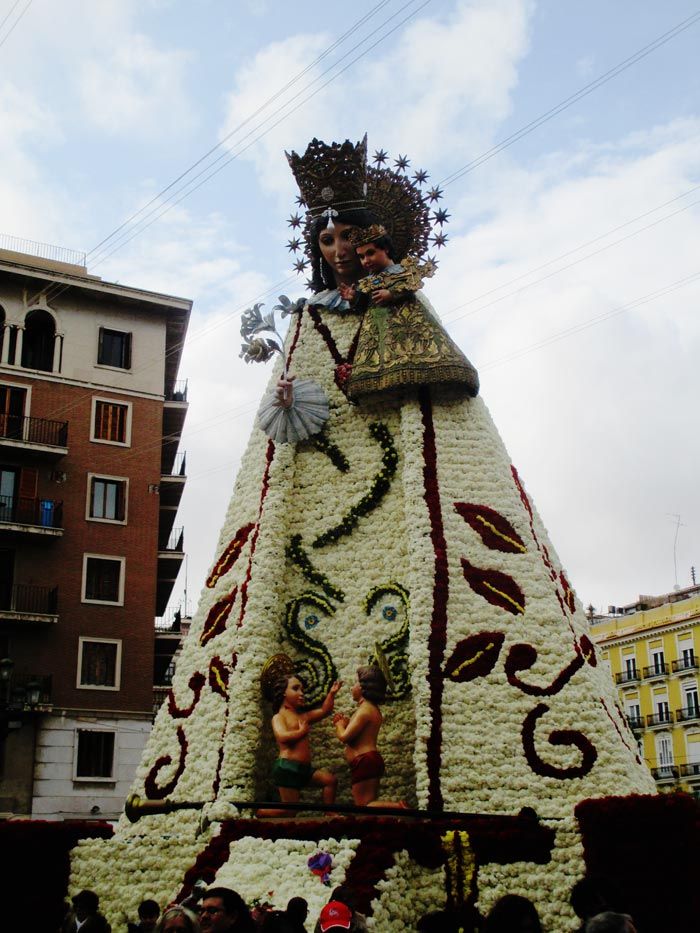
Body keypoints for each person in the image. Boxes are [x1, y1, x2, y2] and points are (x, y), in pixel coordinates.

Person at [336, 224, 479, 401]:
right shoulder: (367, 282)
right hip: (378, 325)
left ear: (385, 248)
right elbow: (364, 303)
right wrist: (354, 298)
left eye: (370, 253)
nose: (366, 260)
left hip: (409, 322)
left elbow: (411, 286)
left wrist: (391, 293)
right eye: (361, 256)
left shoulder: (402, 271)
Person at [258, 668, 341, 817]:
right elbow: (282, 736)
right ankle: (259, 812)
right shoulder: (278, 717)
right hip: (288, 768)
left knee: (330, 781)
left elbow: (324, 710)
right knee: (291, 810)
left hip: (304, 769)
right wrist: (301, 732)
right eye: (296, 688)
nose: (301, 693)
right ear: (284, 692)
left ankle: (329, 812)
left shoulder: (303, 717)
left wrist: (332, 693)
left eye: (302, 689)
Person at [333, 665, 406, 807]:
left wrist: (339, 725)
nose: (351, 687)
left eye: (355, 683)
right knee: (367, 804)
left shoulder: (365, 710)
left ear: (364, 687)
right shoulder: (371, 710)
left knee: (365, 805)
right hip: (367, 761)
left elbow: (345, 737)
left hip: (364, 761)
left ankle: (399, 808)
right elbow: (358, 735)